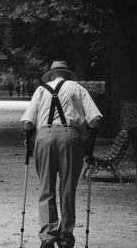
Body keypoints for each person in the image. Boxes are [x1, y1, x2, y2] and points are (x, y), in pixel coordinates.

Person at [21, 61, 102, 248]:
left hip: (44, 137)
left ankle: (48, 235)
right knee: (67, 189)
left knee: (46, 188)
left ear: (51, 75)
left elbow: (27, 124)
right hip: (71, 138)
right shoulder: (77, 88)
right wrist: (88, 145)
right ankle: (65, 238)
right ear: (66, 75)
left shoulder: (41, 90)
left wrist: (29, 141)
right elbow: (96, 119)